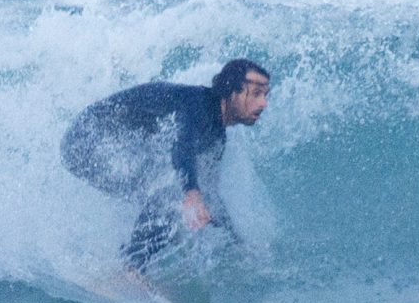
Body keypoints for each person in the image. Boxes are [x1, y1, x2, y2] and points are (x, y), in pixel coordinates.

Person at [61, 59, 271, 270]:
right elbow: (182, 145)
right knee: (171, 199)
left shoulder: (217, 135)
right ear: (231, 91)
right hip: (85, 139)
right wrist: (191, 192)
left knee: (171, 202)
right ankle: (130, 267)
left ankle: (126, 264)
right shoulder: (197, 105)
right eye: (255, 94)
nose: (263, 103)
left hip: (109, 148)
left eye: (264, 95)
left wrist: (236, 242)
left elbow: (210, 195)